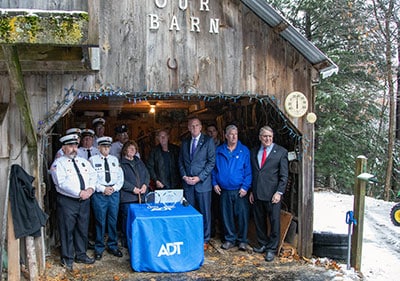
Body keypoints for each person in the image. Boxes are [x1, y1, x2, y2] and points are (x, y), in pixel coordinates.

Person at [50, 134, 96, 271]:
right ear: (63, 148)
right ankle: (67, 258)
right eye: (70, 146)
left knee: (82, 228)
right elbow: (61, 183)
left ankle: (81, 254)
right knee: (67, 229)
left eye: (75, 145)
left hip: (85, 200)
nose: (74, 148)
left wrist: (90, 189)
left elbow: (93, 175)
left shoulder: (83, 162)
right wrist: (79, 192)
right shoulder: (58, 164)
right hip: (68, 201)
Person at [249, 125, 288, 262]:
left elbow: (284, 176)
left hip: (273, 195)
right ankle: (263, 244)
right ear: (260, 137)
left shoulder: (281, 152)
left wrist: (279, 192)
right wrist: (252, 191)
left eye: (270, 136)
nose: (268, 139)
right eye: (265, 136)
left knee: (274, 222)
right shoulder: (254, 152)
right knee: (259, 221)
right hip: (258, 193)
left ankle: (271, 249)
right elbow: (254, 173)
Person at [212, 124, 252, 251]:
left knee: (242, 216)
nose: (234, 137)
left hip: (240, 190)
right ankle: (230, 239)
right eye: (231, 134)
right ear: (225, 135)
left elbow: (249, 171)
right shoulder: (219, 150)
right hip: (224, 190)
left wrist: (245, 187)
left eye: (236, 134)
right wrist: (214, 183)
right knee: (226, 216)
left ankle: (242, 240)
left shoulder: (244, 150)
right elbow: (213, 169)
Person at [179, 117, 215, 250]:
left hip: (202, 184)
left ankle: (205, 239)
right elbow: (181, 161)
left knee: (205, 212)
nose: (194, 128)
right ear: (188, 128)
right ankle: (191, 236)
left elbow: (211, 162)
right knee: (190, 211)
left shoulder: (208, 141)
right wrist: (184, 176)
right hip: (188, 184)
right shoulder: (185, 142)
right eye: (191, 126)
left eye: (196, 126)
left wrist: (199, 178)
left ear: (201, 127)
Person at [89, 136, 124, 260]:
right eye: (103, 147)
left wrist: (113, 188)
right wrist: (103, 189)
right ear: (98, 147)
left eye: (108, 147)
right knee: (100, 221)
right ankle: (99, 247)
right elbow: (91, 179)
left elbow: (120, 177)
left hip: (113, 193)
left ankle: (113, 245)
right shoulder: (92, 160)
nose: (106, 149)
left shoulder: (114, 160)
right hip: (100, 194)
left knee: (113, 220)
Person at [119, 140, 150, 247]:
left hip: (141, 195)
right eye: (130, 148)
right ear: (125, 150)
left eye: (134, 149)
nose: (133, 150)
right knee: (127, 220)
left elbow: (146, 174)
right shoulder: (120, 164)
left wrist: (145, 185)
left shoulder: (139, 161)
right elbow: (120, 180)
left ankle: (138, 239)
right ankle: (126, 241)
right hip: (128, 197)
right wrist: (133, 189)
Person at [207, 123, 223, 238]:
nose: (211, 133)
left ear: (217, 132)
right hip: (208, 180)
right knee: (211, 207)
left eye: (213, 131)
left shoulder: (222, 146)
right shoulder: (205, 145)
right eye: (209, 131)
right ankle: (211, 231)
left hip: (221, 181)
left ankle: (223, 232)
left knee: (221, 208)